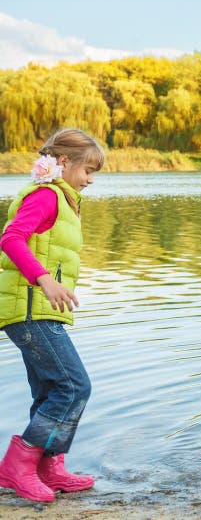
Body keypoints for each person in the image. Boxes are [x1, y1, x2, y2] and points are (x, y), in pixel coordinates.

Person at [0, 128, 104, 502]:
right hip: (29, 310)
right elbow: (11, 238)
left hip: (39, 310)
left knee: (49, 391)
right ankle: (16, 467)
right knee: (73, 386)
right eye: (88, 170)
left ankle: (48, 467)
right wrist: (44, 281)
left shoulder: (62, 198)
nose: (90, 180)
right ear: (63, 162)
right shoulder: (46, 196)